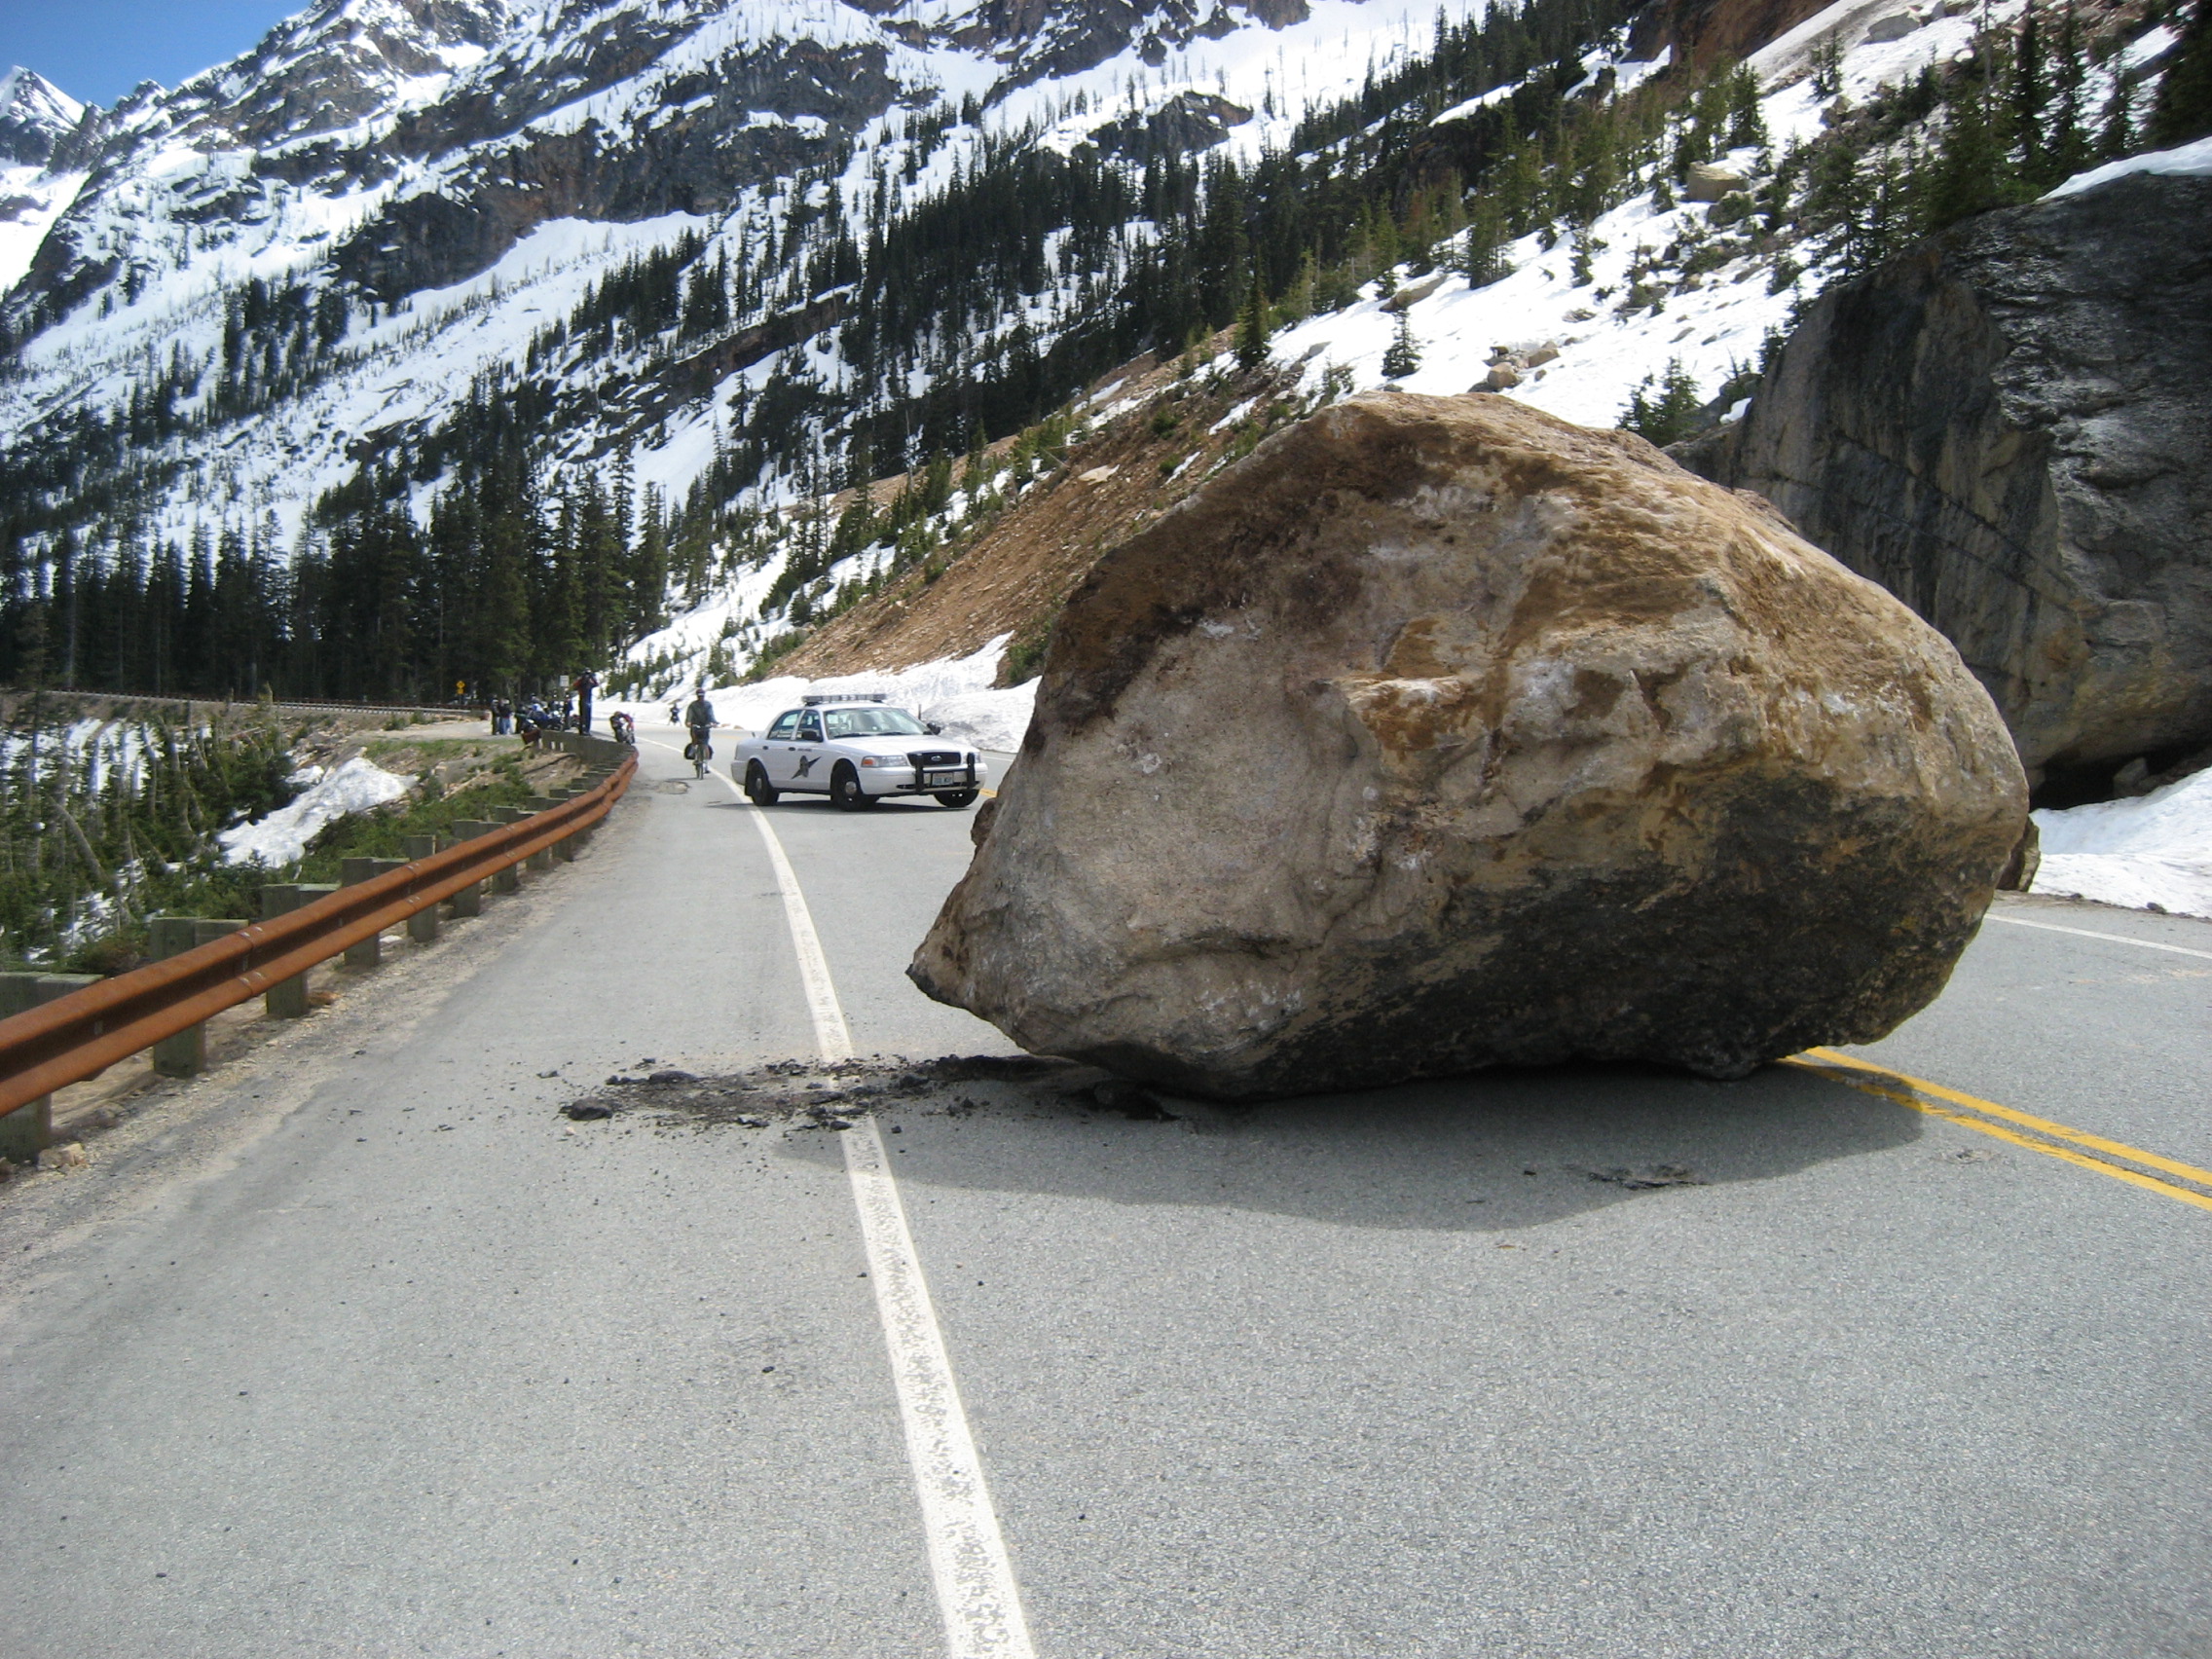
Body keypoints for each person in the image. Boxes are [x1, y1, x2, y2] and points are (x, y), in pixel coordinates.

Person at [684, 686, 716, 778]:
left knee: (705, 744)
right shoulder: (693, 705)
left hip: (705, 726)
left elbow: (710, 714)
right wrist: (689, 722)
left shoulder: (708, 705)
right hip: (695, 726)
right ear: (697, 696)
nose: (700, 697)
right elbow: (690, 714)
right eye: (699, 696)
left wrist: (712, 722)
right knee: (694, 739)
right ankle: (693, 750)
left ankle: (705, 764)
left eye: (702, 696)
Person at [572, 668, 600, 733]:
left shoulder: (589, 683)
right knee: (584, 715)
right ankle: (583, 729)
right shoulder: (582, 682)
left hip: (587, 700)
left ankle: (586, 729)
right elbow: (575, 686)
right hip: (584, 700)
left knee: (586, 715)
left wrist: (591, 677)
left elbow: (596, 684)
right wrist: (583, 679)